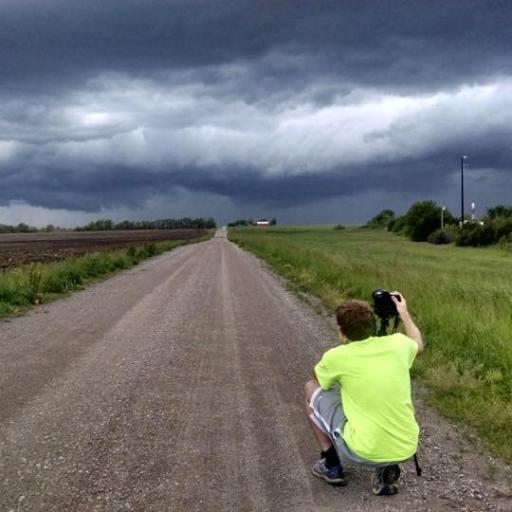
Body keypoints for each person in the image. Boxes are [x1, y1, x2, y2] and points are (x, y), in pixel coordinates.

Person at [304, 292, 423, 495]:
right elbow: (418, 345)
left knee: (309, 388)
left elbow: (317, 378)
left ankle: (331, 465)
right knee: (378, 403)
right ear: (373, 324)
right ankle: (384, 473)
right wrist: (403, 313)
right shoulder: (398, 344)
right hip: (407, 445)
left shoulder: (336, 357)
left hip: (361, 451)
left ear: (342, 332)